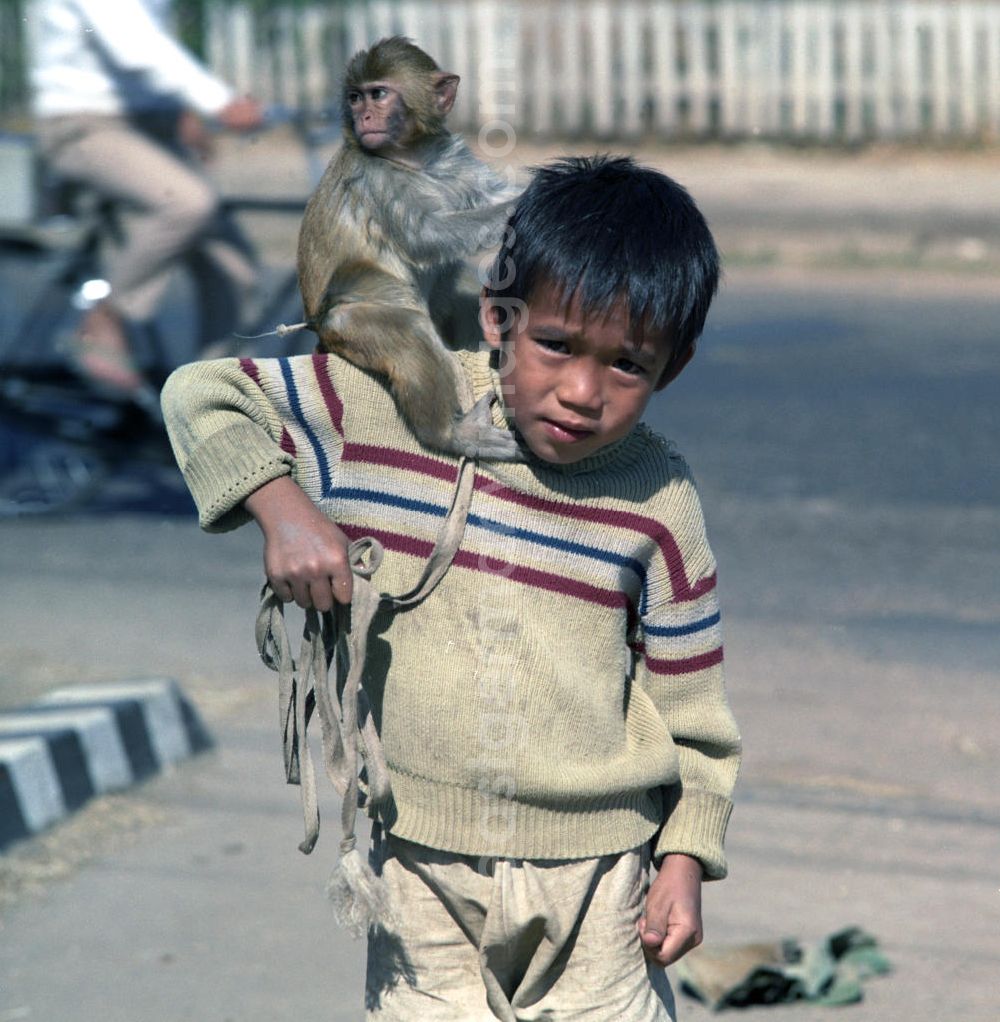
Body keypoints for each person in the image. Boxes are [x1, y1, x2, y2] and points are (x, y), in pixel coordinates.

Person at [161, 154, 742, 1021]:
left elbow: (694, 713)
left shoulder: (659, 499)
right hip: (420, 872)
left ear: (676, 366)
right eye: (555, 345)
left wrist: (685, 864)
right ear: (498, 319)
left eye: (628, 366)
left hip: (602, 885)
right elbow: (201, 395)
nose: (581, 392)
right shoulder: (395, 408)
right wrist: (283, 510)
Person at [25, 0, 265, 406]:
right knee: (188, 203)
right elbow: (131, 41)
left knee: (234, 269)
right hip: (82, 122)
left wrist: (178, 109)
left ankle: (218, 405)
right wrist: (217, 100)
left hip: (148, 125)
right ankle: (104, 318)